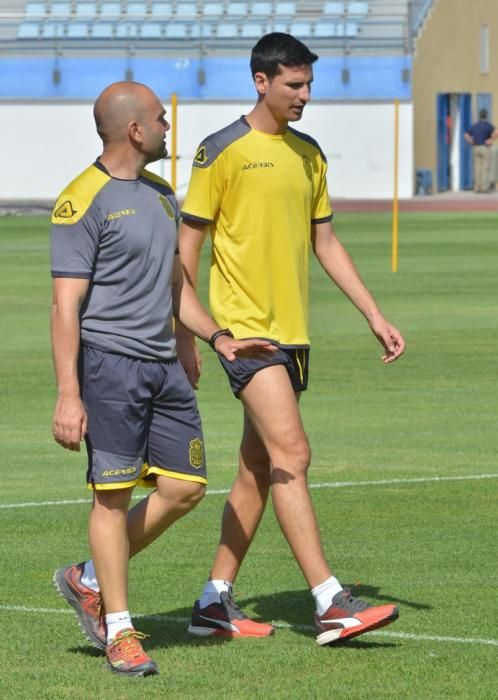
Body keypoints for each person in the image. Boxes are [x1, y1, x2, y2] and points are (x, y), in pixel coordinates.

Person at [177, 33, 406, 647]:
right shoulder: (219, 150)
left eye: (308, 85)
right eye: (293, 85)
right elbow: (184, 256)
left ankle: (213, 604)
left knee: (257, 468)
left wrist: (373, 314)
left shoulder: (309, 154)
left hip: (293, 337)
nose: (305, 96)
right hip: (247, 337)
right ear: (261, 81)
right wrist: (194, 335)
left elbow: (324, 242)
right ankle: (331, 603)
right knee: (293, 455)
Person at [50, 81, 275, 677]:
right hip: (109, 368)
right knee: (112, 495)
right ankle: (119, 631)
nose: (167, 127)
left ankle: (88, 577)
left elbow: (177, 288)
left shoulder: (160, 195)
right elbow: (64, 307)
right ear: (133, 131)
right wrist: (69, 394)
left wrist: (216, 339)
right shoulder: (82, 199)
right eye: (159, 119)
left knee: (185, 488)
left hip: (164, 367)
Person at [464, 109, 496, 193]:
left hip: (475, 147)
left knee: (477, 168)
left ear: (479, 116)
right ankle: (484, 188)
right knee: (485, 168)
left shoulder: (475, 125)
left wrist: (471, 141)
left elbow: (466, 134)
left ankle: (476, 188)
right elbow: (496, 131)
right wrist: (491, 140)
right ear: (486, 116)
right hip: (484, 148)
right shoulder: (488, 125)